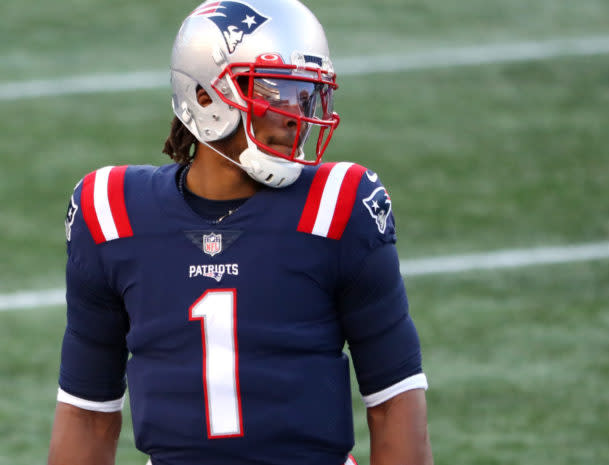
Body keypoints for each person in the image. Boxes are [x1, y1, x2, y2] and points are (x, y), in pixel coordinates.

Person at [47, 1, 434, 464]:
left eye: (306, 93)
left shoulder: (338, 206)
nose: (296, 114)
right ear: (205, 95)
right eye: (275, 90)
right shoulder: (110, 212)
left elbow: (395, 401)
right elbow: (88, 413)